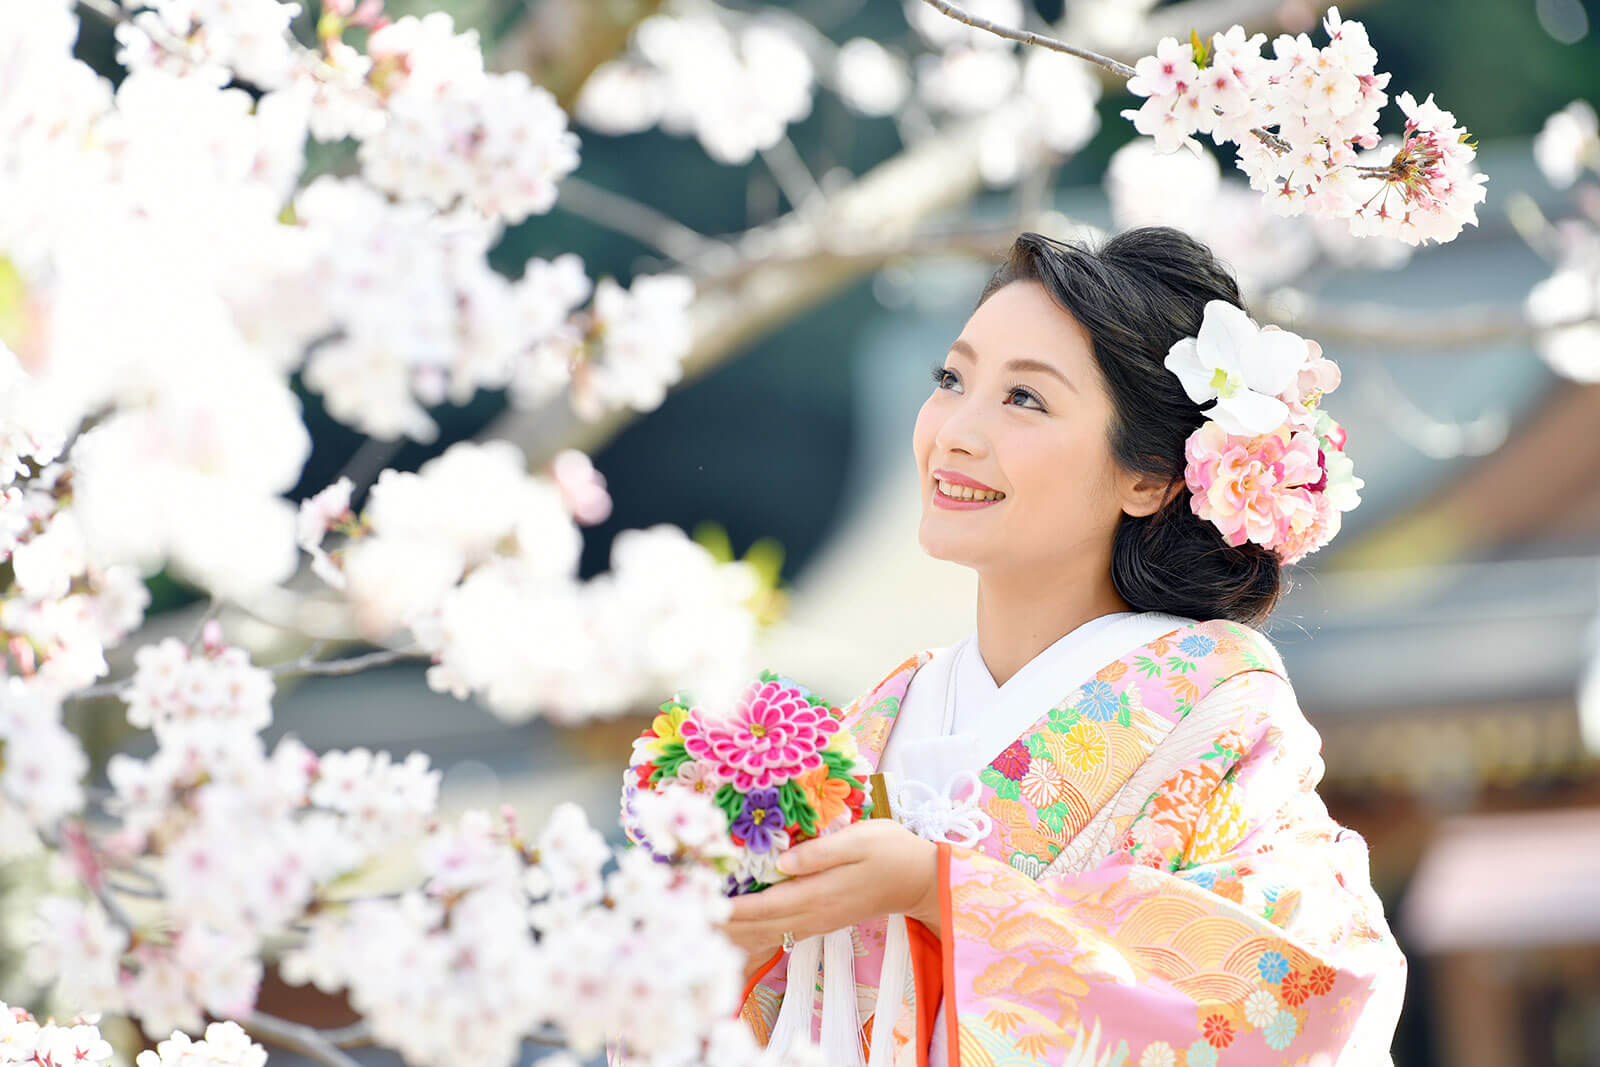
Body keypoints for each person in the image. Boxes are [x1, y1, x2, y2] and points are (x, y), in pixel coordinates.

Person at [722, 228, 1408, 1066]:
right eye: (952, 380)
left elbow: (1288, 1000)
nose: (956, 433)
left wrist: (940, 891)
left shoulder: (1220, 707)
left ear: (1149, 476)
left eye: (1025, 400)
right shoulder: (882, 718)